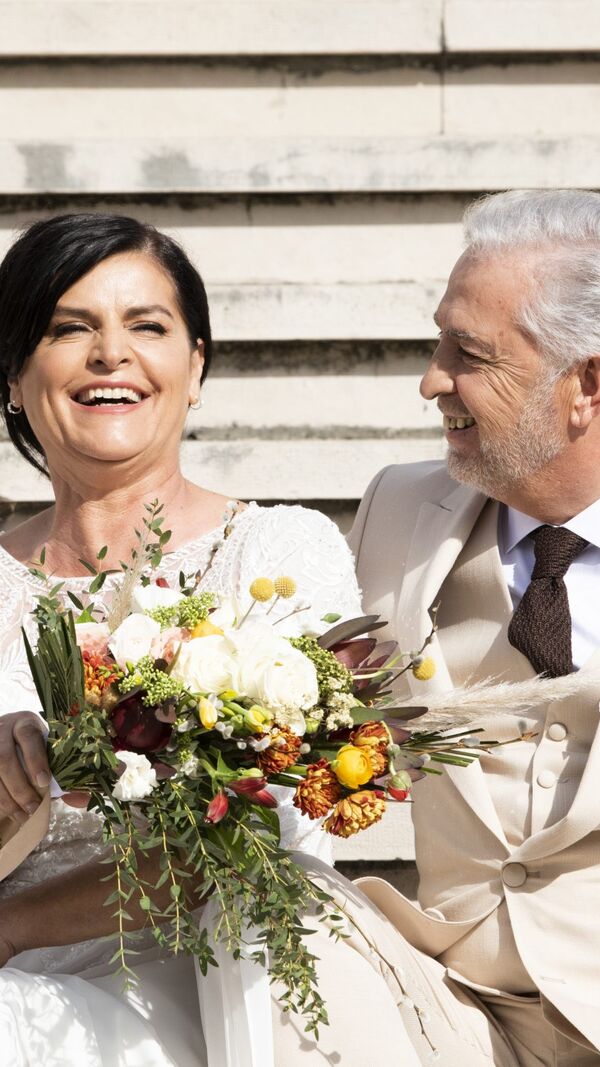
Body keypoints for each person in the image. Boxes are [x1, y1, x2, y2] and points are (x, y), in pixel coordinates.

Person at [0, 212, 364, 1066]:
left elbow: (262, 831)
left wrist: (8, 927)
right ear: (14, 375)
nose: (110, 355)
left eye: (147, 326)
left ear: (195, 367)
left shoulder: (276, 553)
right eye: (68, 328)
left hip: (223, 982)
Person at [348, 188, 600, 1065]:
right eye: (437, 341)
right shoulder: (394, 509)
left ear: (588, 385)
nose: (430, 379)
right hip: (448, 1003)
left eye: (470, 354)